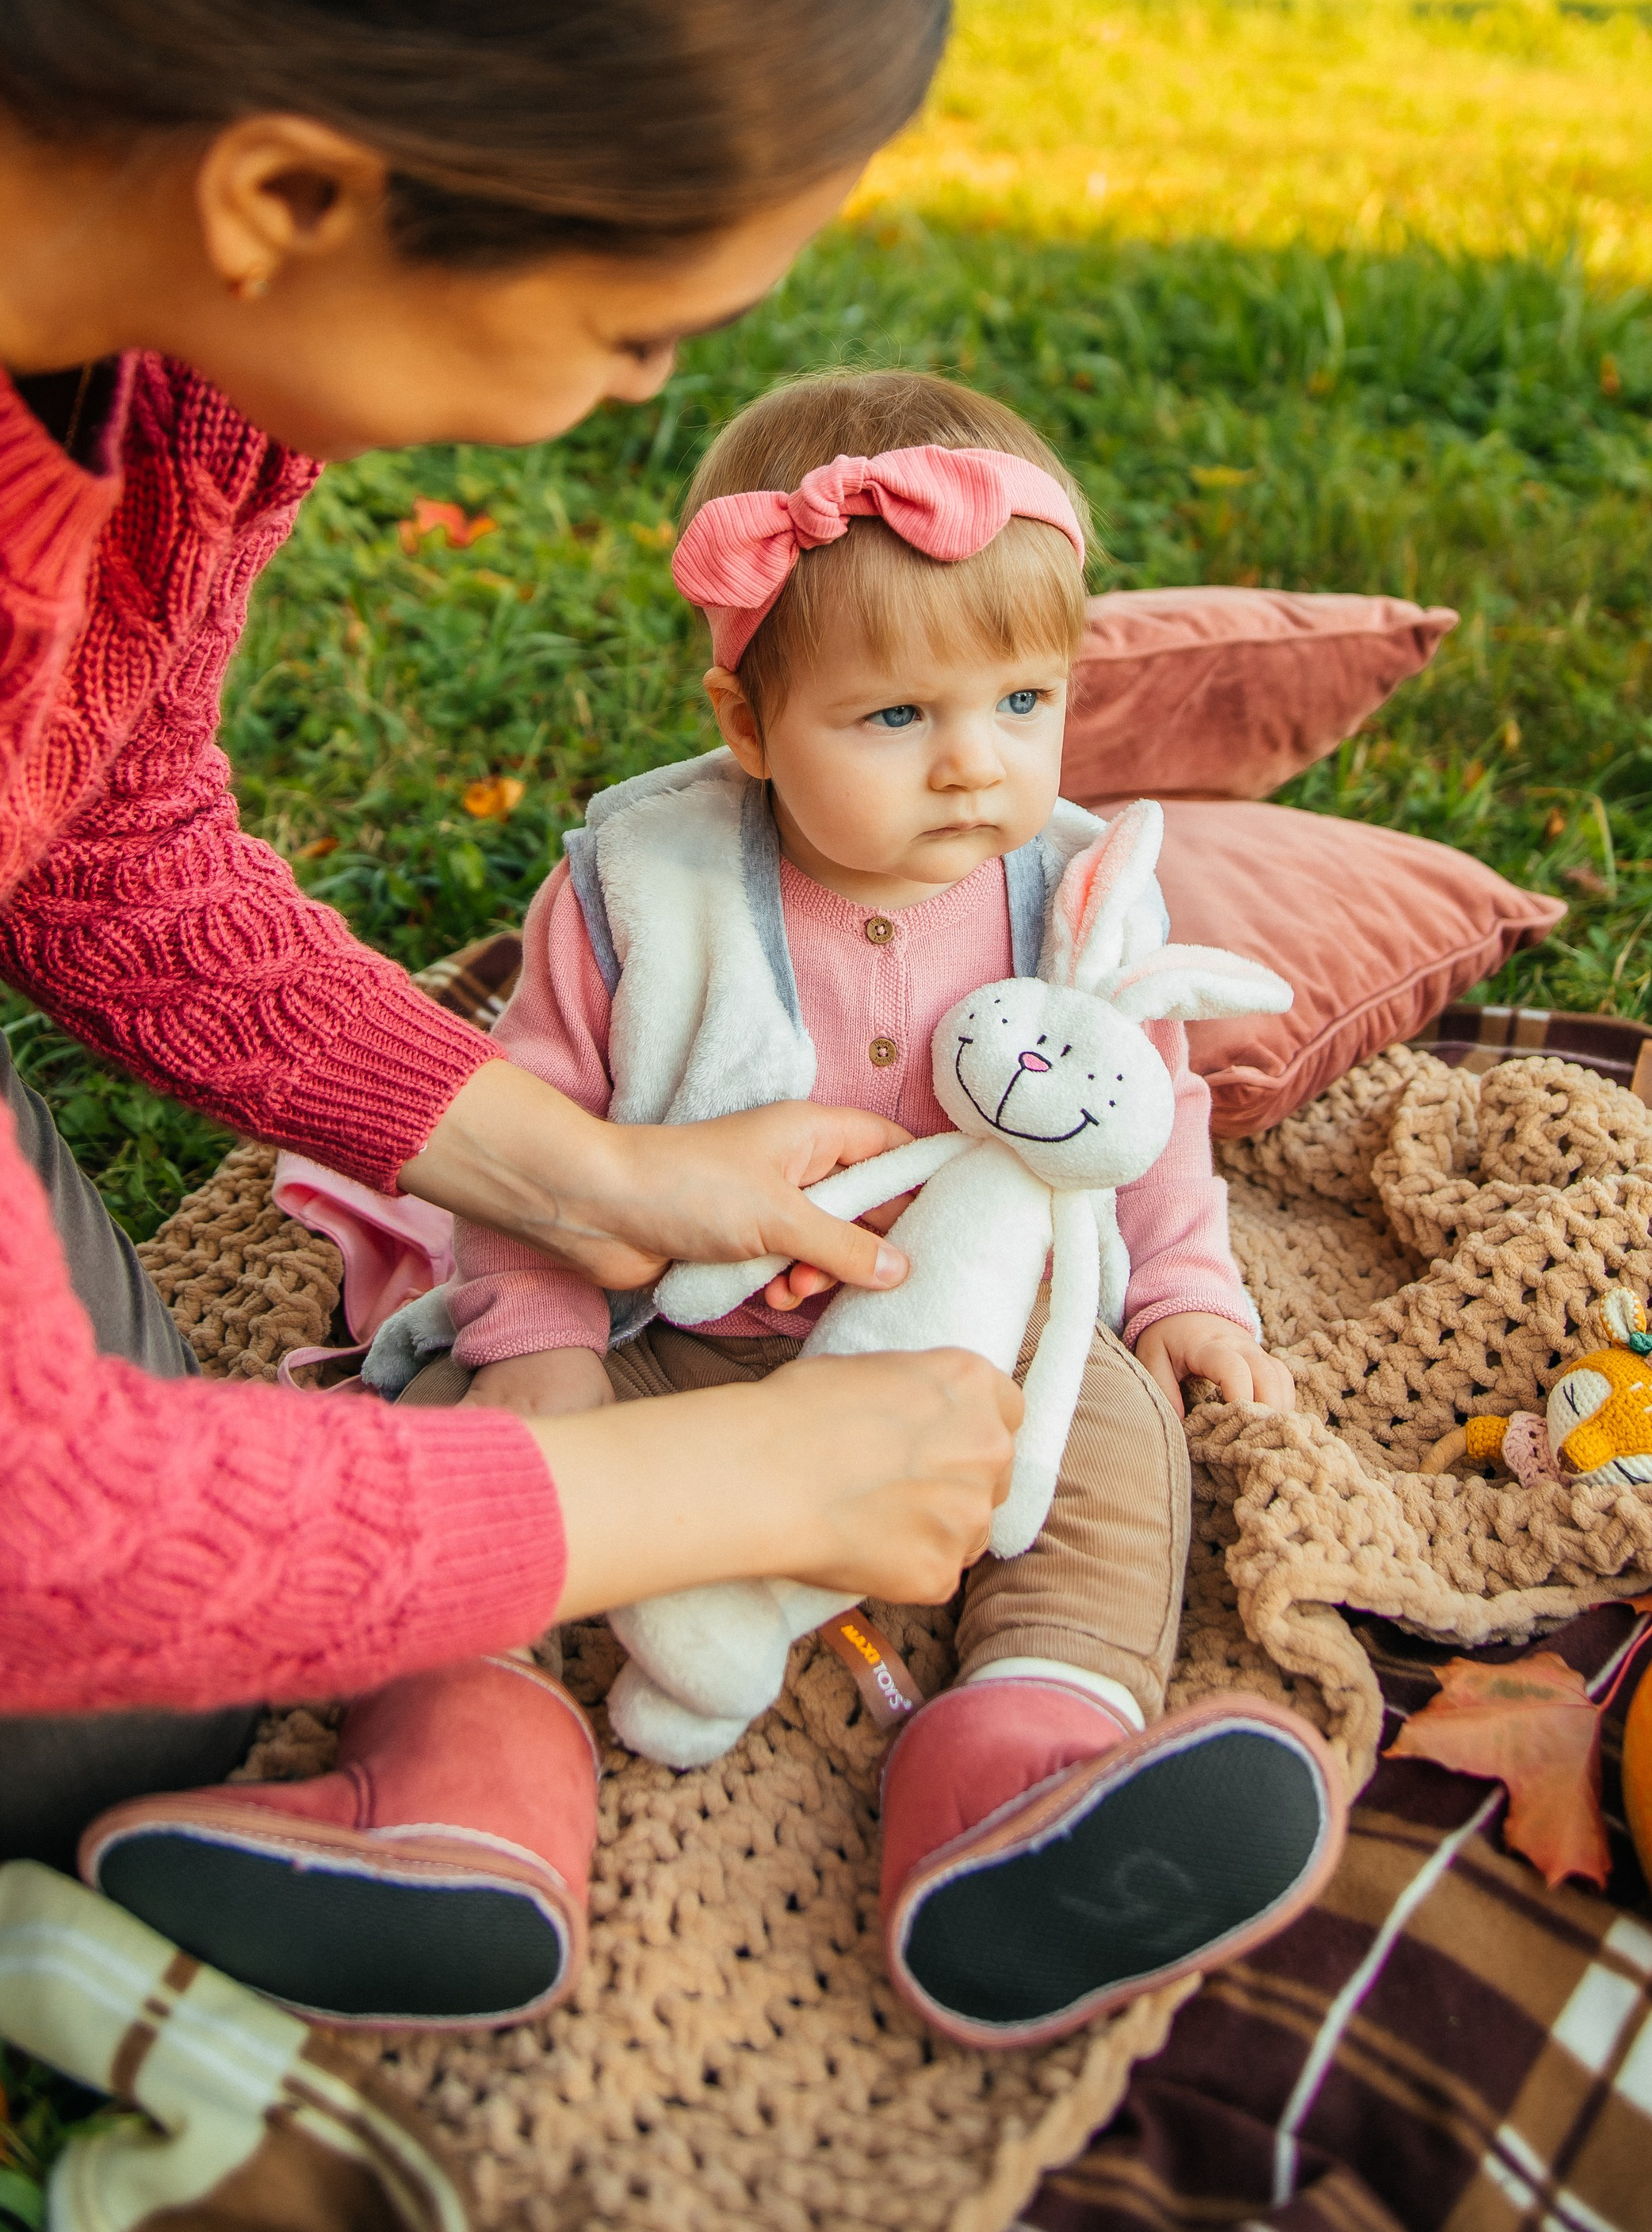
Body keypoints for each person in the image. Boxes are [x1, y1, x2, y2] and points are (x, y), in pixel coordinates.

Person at [0, 0, 1026, 2032]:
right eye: (628, 341)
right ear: (298, 190)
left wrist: (574, 1166)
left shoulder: (179, 318)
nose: (613, 419)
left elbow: (105, 834)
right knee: (58, 1661)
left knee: (168, 1584)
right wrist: (723, 1476)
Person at [270, 370, 1345, 2051]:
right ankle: (455, 1790)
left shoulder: (1077, 887)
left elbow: (1146, 1119)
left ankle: (1024, 1770)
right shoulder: (640, 889)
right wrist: (543, 1343)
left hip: (974, 1358)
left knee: (1116, 1459)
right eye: (896, 720)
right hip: (682, 1337)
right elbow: (525, 1136)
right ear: (749, 726)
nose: (974, 768)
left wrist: (1185, 1293)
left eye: (1019, 699)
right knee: (482, 1457)